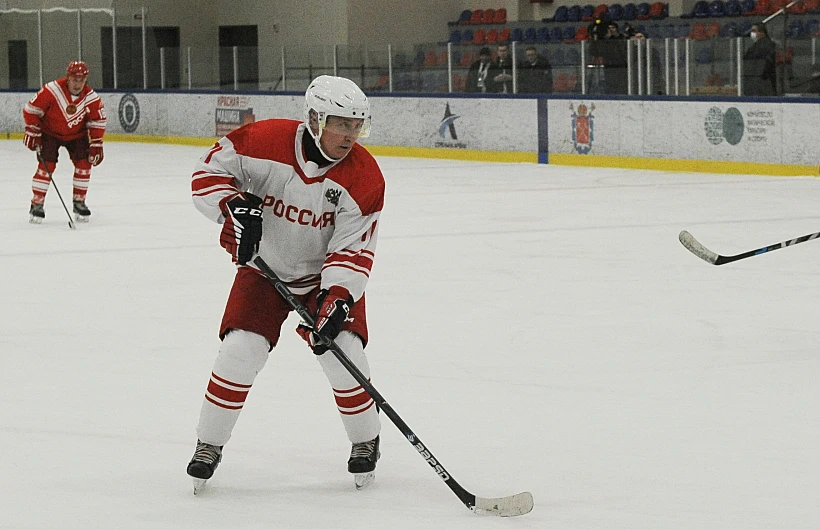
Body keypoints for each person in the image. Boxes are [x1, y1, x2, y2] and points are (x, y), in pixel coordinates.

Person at [186, 75, 384, 492]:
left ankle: (366, 439)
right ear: (314, 119)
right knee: (240, 349)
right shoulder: (262, 141)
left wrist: (338, 298)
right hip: (263, 269)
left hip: (321, 280)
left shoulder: (364, 177)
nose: (350, 134)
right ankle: (209, 444)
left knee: (342, 352)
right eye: (341, 123)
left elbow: (352, 250)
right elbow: (207, 175)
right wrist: (233, 206)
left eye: (356, 125)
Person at [23, 60, 106, 223]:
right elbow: (31, 110)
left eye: (81, 80)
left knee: (84, 163)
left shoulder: (91, 97)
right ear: (68, 78)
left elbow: (97, 120)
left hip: (77, 135)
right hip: (49, 133)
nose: (78, 84)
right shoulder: (52, 90)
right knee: (47, 166)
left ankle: (79, 201)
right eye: (75, 79)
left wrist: (96, 141)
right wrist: (33, 130)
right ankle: (37, 204)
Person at [743, 22, 776, 96]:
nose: (752, 33)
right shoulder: (758, 44)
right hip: (756, 81)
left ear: (762, 32)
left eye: (754, 31)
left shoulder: (766, 44)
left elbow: (766, 63)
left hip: (762, 82)